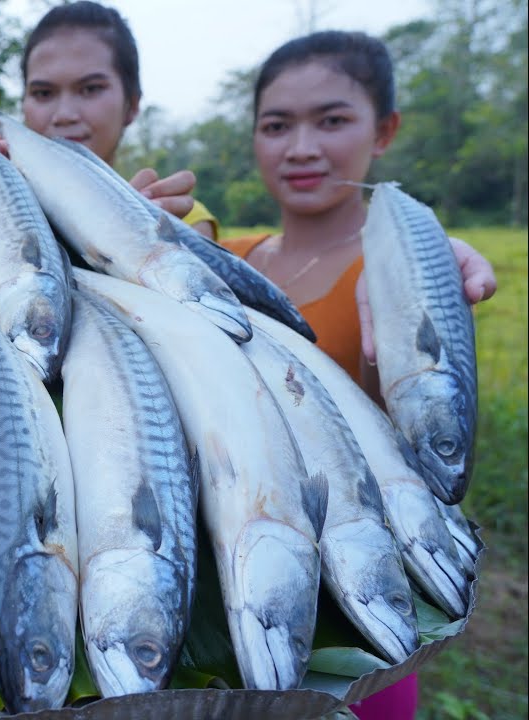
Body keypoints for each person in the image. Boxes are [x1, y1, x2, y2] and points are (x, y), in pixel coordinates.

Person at [222, 30, 498, 720]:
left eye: (333, 119)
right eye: (277, 125)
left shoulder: (388, 277)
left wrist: (424, 266)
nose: (302, 147)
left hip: (363, 631)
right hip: (248, 608)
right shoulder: (224, 260)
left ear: (386, 130)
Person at [14, 1, 218, 238]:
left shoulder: (174, 222)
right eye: (43, 93)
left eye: (90, 89)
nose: (64, 115)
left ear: (131, 105)